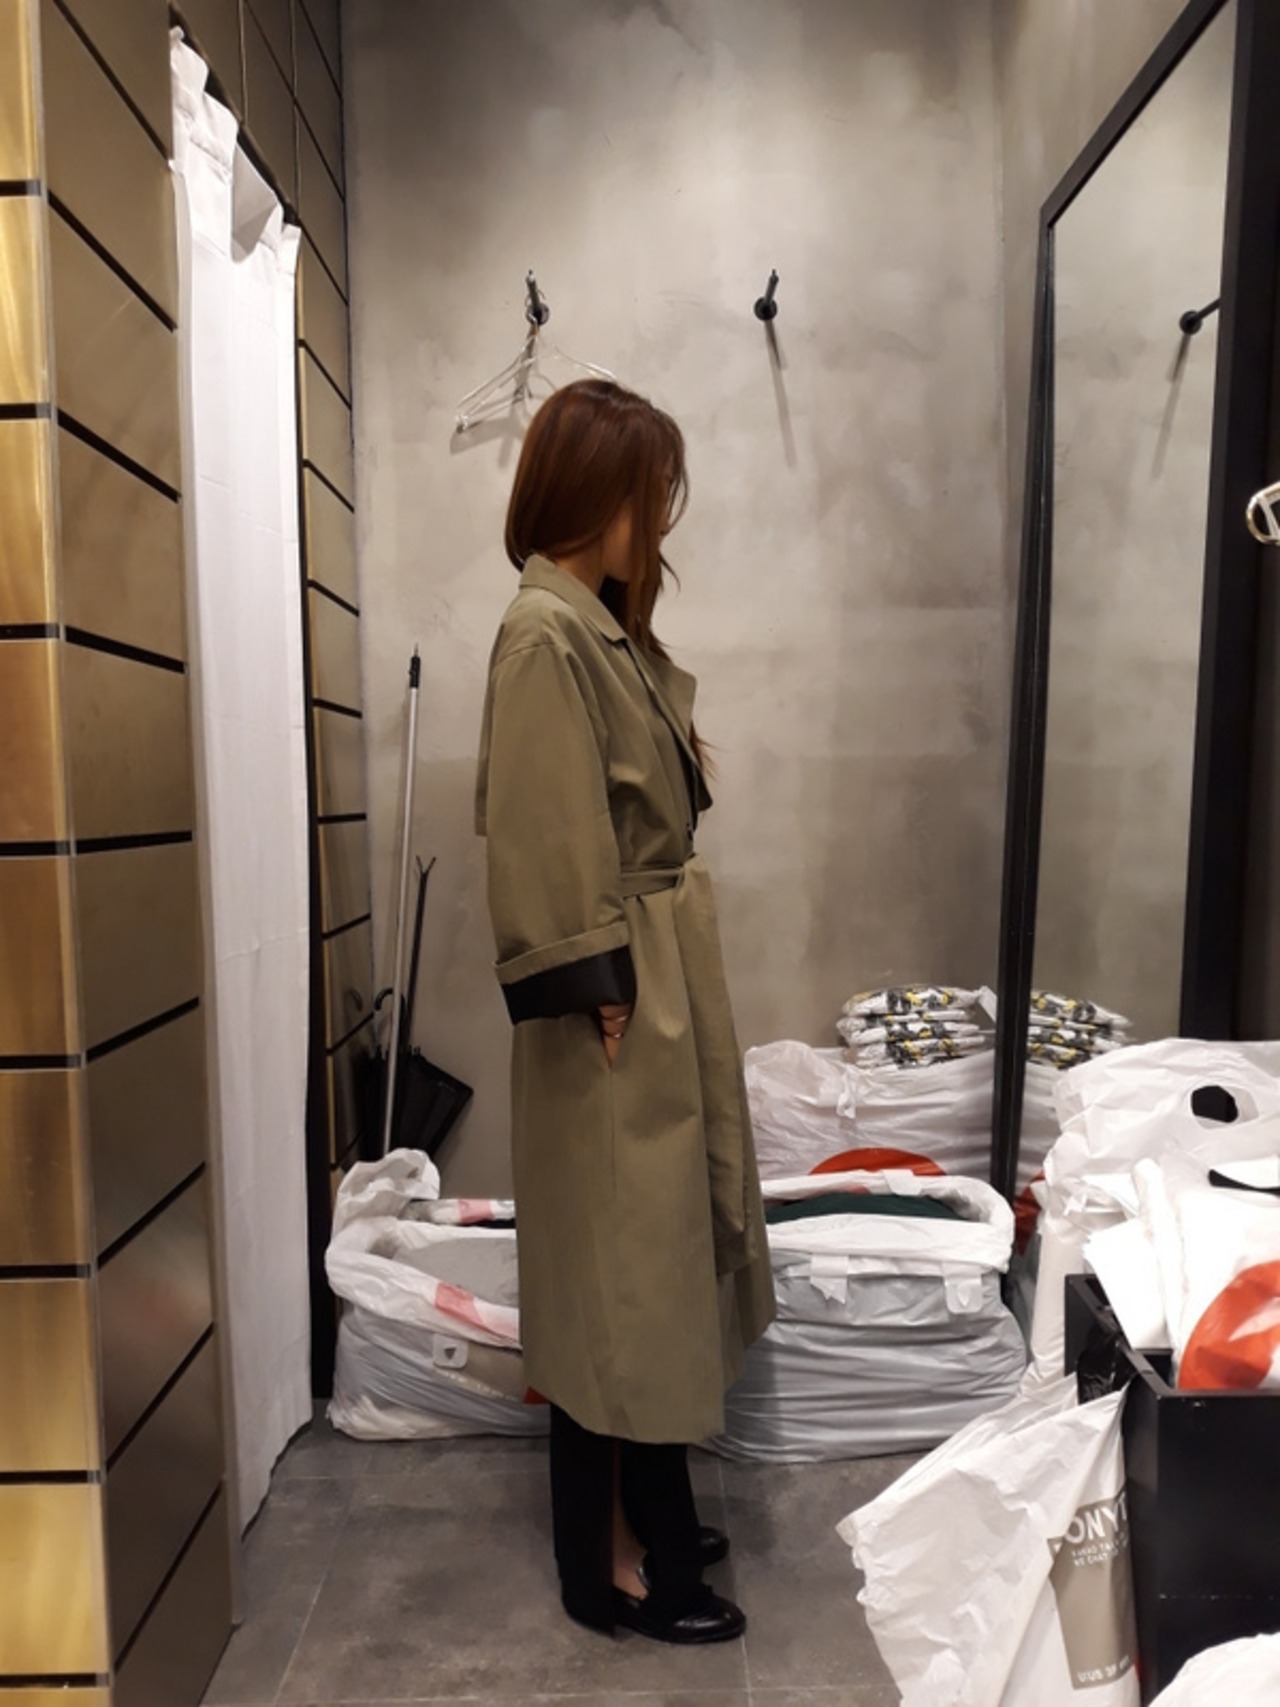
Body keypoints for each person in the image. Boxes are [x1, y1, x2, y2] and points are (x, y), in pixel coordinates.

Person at [475, 377, 775, 1645]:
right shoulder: (543, 634)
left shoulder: (590, 622)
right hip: (614, 994)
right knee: (617, 1273)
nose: (658, 519)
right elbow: (543, 829)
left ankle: (651, 1506)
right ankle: (602, 1562)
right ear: (595, 494)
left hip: (650, 973)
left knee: (651, 1258)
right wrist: (595, 985)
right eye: (647, 494)